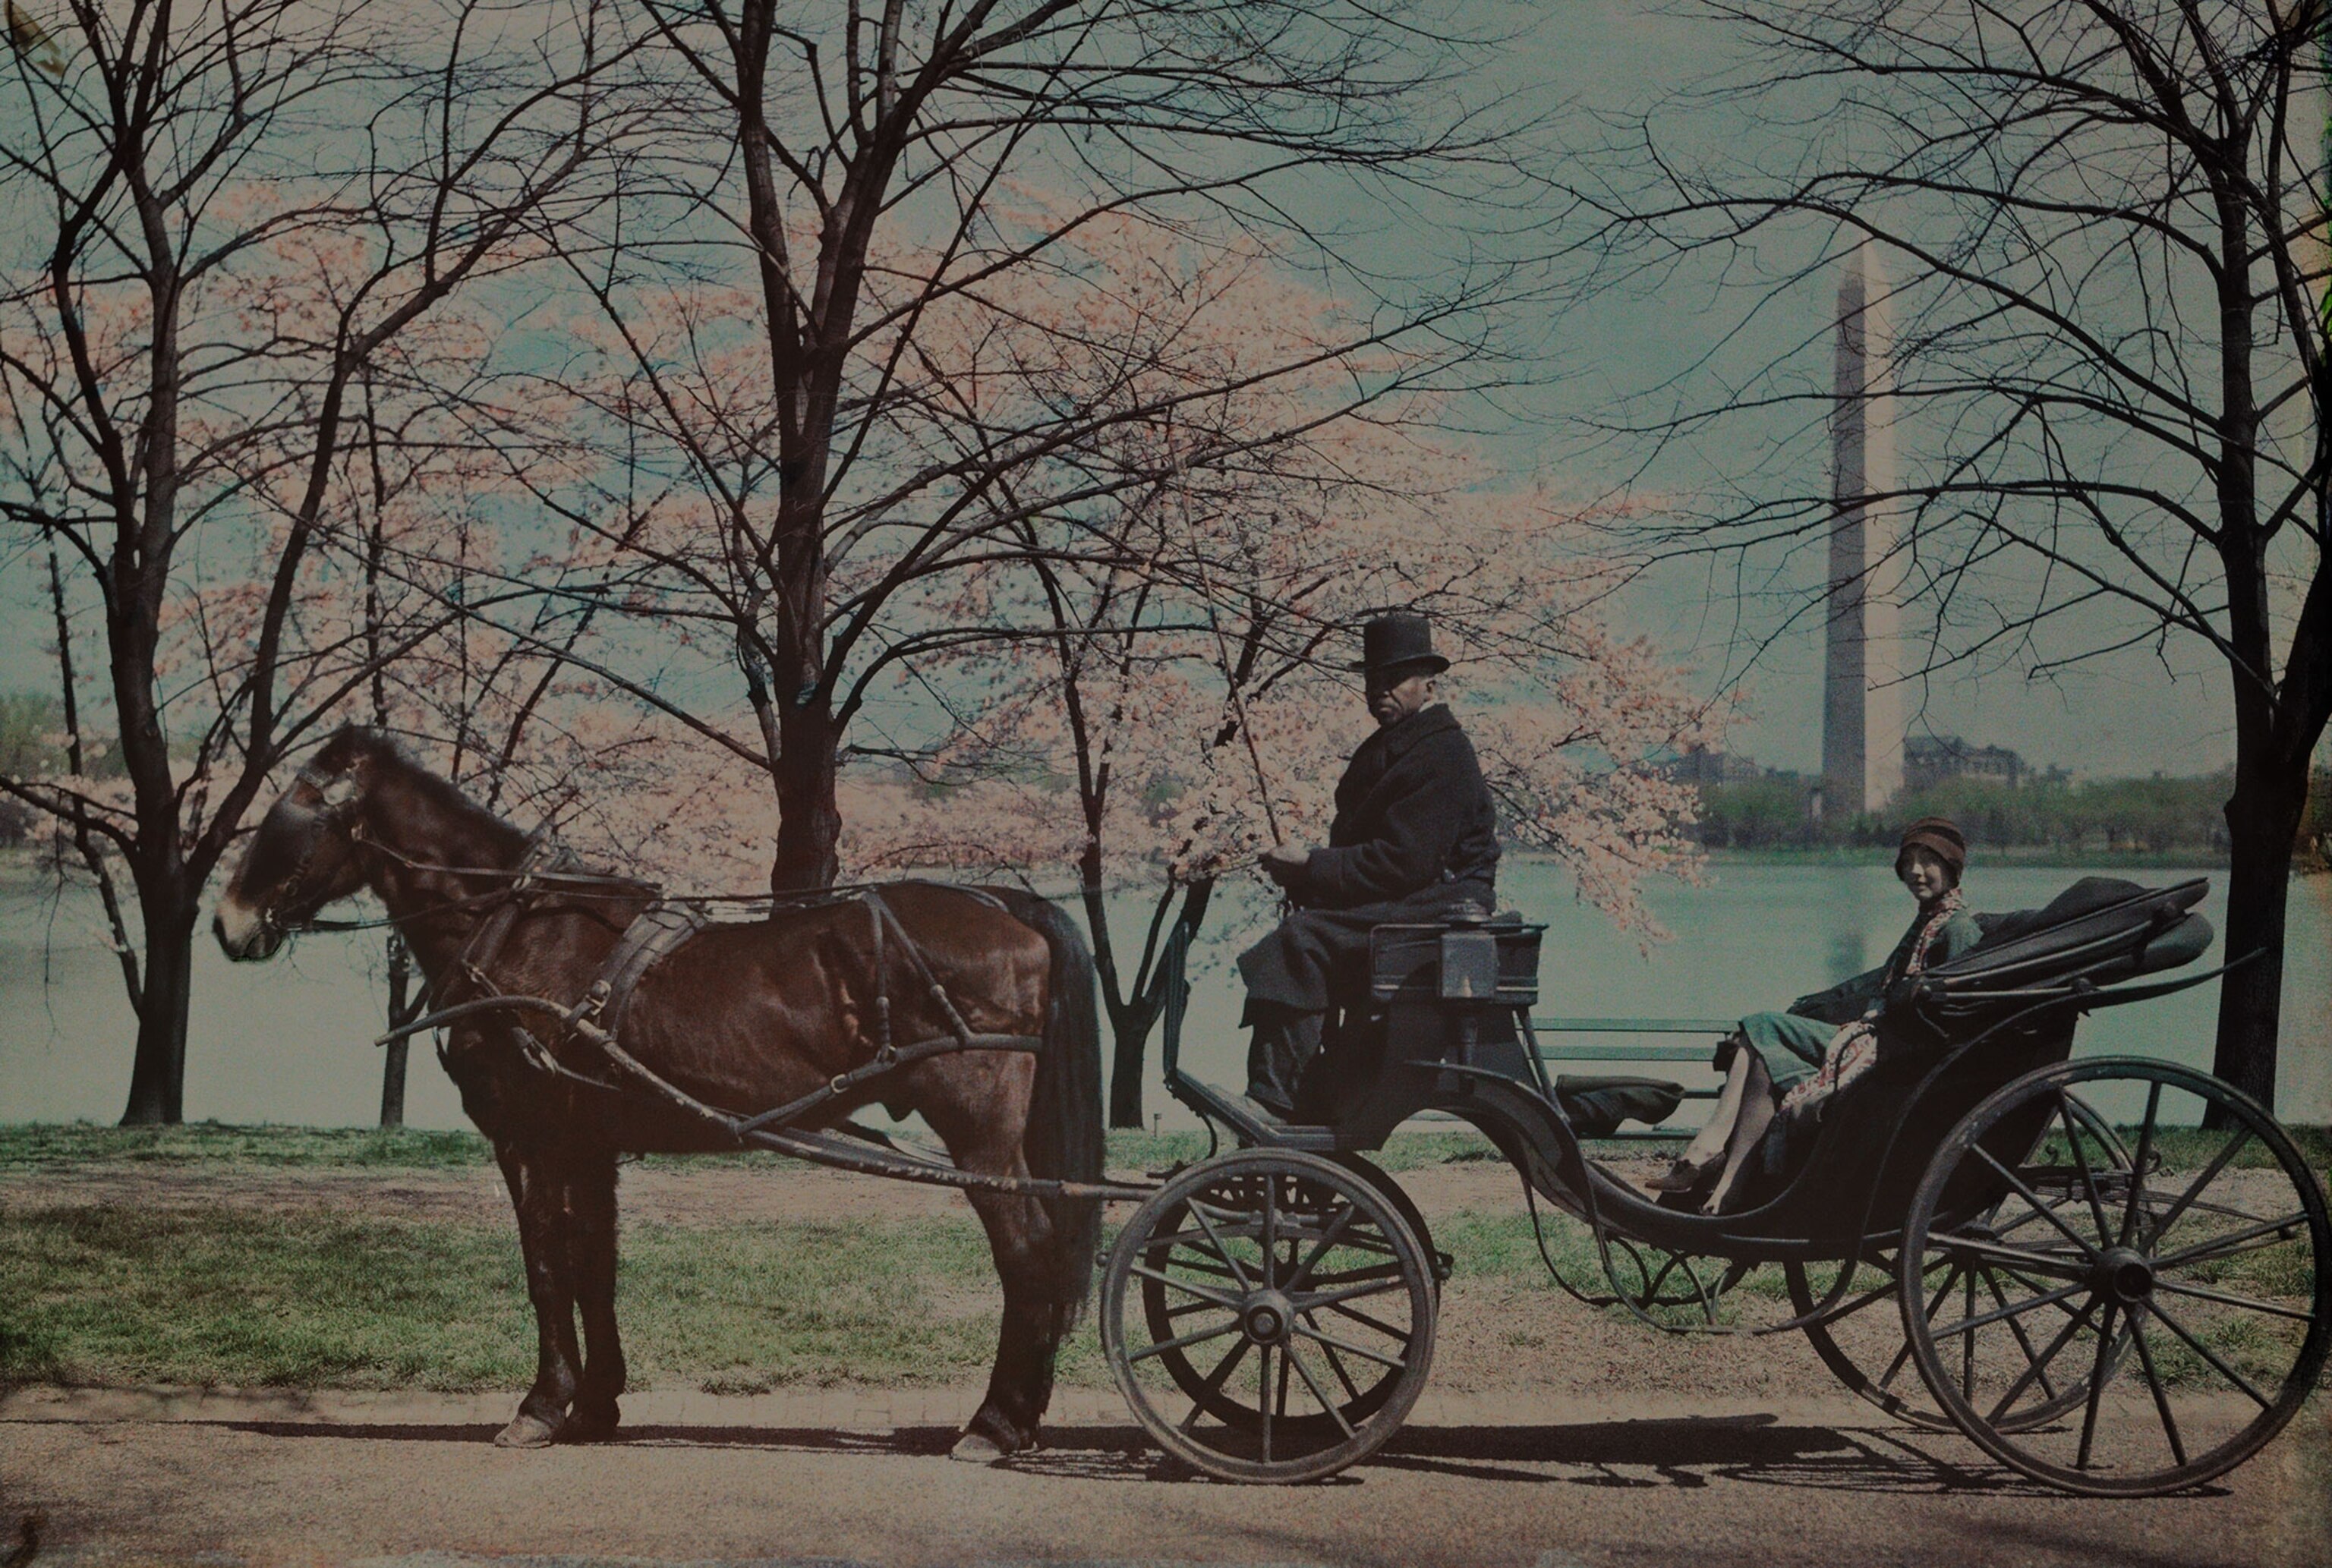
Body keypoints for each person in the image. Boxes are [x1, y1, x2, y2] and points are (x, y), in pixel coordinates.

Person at [1649, 816, 1984, 1212]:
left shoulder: (1957, 929)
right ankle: (1730, 1184)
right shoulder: (1928, 921)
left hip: (1895, 1053)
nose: (1915, 871)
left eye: (1928, 861)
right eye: (1908, 861)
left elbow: (1953, 1018)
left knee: (1761, 1025)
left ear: (1951, 867)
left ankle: (1705, 1151)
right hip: (1874, 1035)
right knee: (1759, 1058)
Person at [1239, 612, 1501, 1116]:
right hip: (1418, 899)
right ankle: (1305, 1089)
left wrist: (1311, 866)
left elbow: (1403, 863)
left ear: (1428, 682)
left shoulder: (1440, 752)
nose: (1380, 688)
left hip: (1442, 907)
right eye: (1373, 678)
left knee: (1301, 941)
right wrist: (1306, 876)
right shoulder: (1397, 746)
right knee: (1304, 929)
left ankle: (1273, 1100)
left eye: (1395, 678)